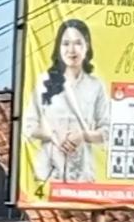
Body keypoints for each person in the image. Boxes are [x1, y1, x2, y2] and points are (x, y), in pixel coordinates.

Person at [24, 18, 110, 183]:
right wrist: (55, 136)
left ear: (87, 47)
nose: (72, 50)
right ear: (58, 47)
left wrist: (83, 136)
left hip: (83, 175)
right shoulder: (44, 82)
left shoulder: (95, 86)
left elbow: (107, 131)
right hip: (47, 174)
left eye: (78, 43)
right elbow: (29, 126)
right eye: (66, 43)